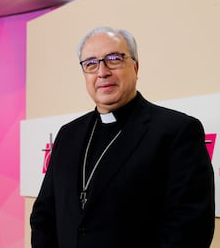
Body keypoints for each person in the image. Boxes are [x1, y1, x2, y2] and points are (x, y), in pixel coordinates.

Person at [30, 26, 215, 248]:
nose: (102, 72)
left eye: (114, 59)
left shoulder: (176, 131)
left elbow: (190, 229)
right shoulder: (68, 134)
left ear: (135, 67)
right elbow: (44, 214)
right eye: (91, 64)